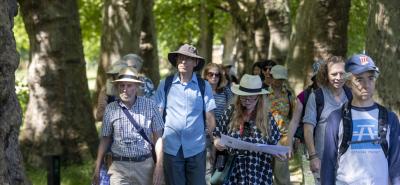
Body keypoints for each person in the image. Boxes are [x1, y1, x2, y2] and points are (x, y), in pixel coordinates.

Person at [321, 54, 400, 184]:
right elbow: (328, 164)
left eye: (370, 78)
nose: (366, 85)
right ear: (348, 82)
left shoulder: (390, 118)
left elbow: (396, 164)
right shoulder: (336, 118)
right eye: (359, 79)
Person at [155, 44, 217, 185]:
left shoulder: (203, 86)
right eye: (180, 58)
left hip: (196, 148)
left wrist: (213, 145)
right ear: (176, 61)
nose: (183, 61)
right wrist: (157, 149)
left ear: (195, 63)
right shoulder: (165, 84)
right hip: (171, 148)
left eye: (188, 59)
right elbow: (157, 119)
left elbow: (210, 118)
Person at [92, 67, 164, 185]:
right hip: (119, 167)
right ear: (117, 87)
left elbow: (158, 138)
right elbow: (105, 139)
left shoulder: (150, 105)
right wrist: (97, 167)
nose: (125, 89)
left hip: (145, 166)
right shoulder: (110, 109)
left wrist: (159, 166)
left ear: (136, 87)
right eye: (122, 86)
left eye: (129, 85)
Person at [213, 74, 282, 185]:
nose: (247, 101)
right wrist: (217, 142)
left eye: (251, 98)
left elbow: (275, 143)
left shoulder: (266, 117)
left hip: (259, 170)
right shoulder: (231, 111)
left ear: (259, 97)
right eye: (244, 97)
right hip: (234, 168)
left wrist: (280, 153)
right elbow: (217, 134)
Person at [302, 56, 351, 184]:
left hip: (348, 163)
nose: (339, 78)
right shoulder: (317, 97)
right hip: (323, 161)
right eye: (334, 74)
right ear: (326, 75)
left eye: (342, 73)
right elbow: (308, 129)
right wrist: (313, 156)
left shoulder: (352, 96)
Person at [287, 60, 323, 184]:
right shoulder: (304, 96)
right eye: (320, 77)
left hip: (328, 144)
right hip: (307, 144)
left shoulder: (336, 96)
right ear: (315, 78)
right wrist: (289, 144)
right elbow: (294, 122)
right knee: (310, 180)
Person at [267, 65, 301, 184]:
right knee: (264, 174)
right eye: (277, 78)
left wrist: (295, 136)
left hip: (283, 137)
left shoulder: (289, 94)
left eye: (282, 79)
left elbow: (294, 117)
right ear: (270, 77)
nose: (279, 81)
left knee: (281, 175)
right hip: (265, 137)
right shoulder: (264, 93)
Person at [202, 63, 234, 184]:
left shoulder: (225, 91)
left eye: (217, 75)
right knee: (208, 166)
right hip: (205, 133)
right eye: (211, 74)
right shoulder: (200, 90)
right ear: (205, 75)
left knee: (220, 167)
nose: (214, 77)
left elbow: (233, 108)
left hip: (223, 134)